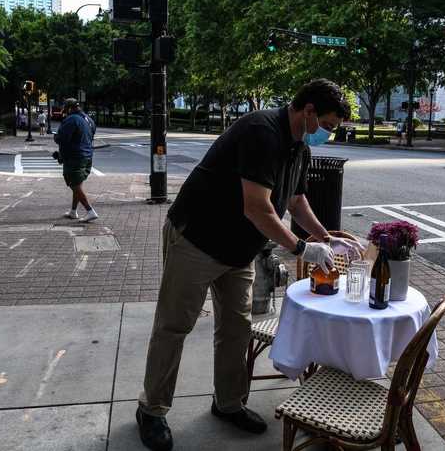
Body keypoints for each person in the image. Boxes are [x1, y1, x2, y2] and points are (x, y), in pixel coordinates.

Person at [136, 79, 363, 451]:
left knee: (236, 328)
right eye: (327, 124)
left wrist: (326, 238)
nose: (328, 132)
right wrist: (303, 248)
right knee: (174, 326)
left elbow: (296, 201)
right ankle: (152, 410)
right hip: (197, 239)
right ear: (307, 111)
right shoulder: (262, 132)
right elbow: (257, 206)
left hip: (238, 251)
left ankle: (228, 403)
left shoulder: (299, 147)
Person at [54, 99, 98, 222]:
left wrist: (56, 138)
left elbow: (62, 139)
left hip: (75, 157)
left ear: (69, 108)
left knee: (74, 184)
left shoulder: (71, 119)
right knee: (77, 184)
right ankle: (73, 211)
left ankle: (90, 211)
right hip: (88, 156)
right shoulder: (89, 120)